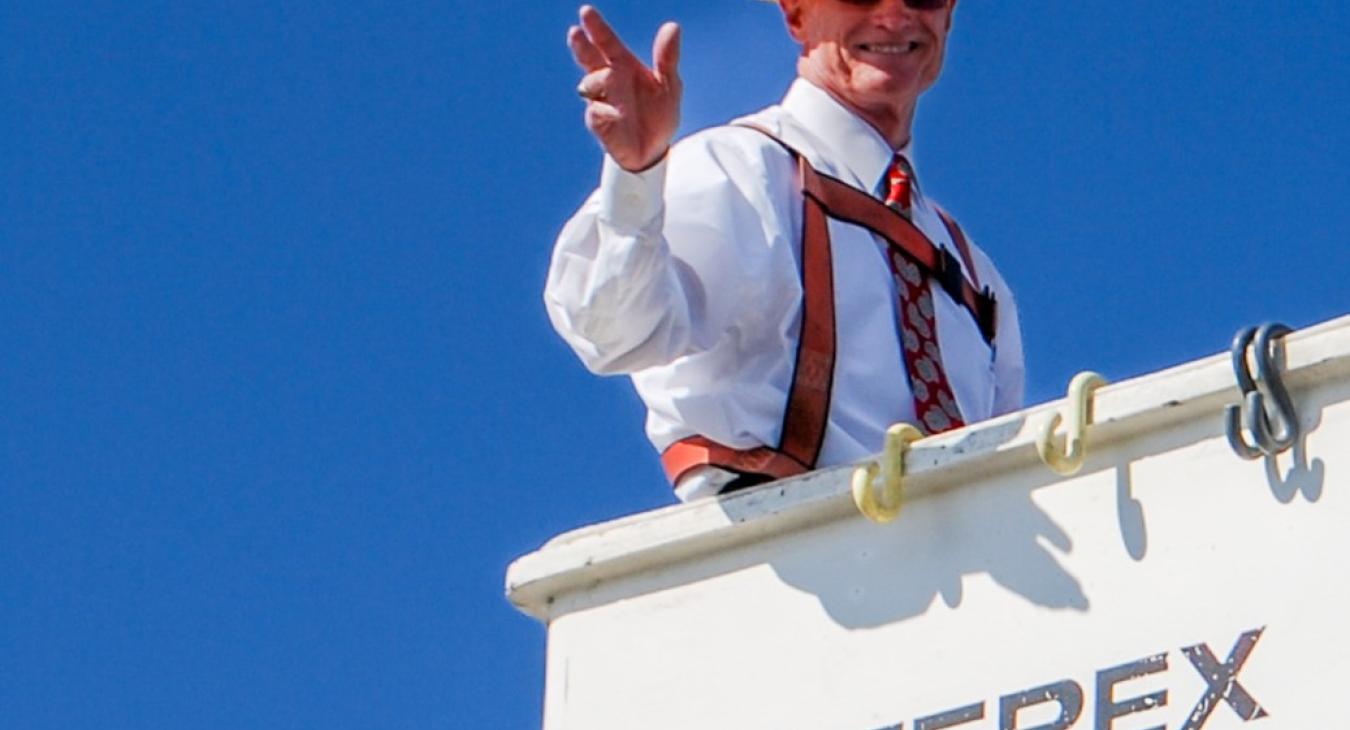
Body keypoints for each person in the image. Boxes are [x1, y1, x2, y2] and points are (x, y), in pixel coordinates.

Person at [546, 1, 1024, 501]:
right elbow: (612, 330)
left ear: (947, 16)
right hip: (784, 556)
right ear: (796, 14)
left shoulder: (974, 272)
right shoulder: (740, 167)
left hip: (958, 562)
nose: (894, 14)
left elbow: (1013, 477)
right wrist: (637, 178)